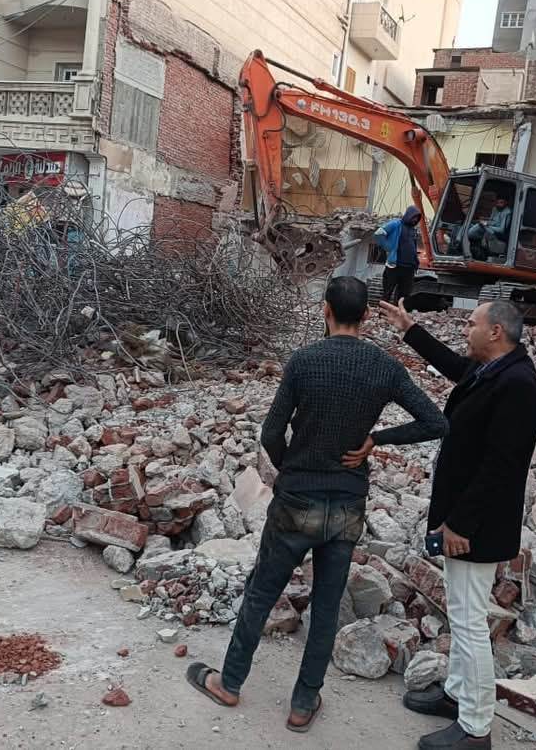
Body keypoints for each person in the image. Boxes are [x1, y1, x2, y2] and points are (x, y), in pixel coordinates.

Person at [186, 276, 448, 733]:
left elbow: (271, 431)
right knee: (326, 606)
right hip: (347, 504)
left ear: (325, 309)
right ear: (365, 316)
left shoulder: (304, 361)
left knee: (262, 593)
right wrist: (376, 439)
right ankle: (303, 703)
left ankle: (229, 683)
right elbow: (435, 422)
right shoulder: (384, 367)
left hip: (296, 500)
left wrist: (290, 468)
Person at [376, 297, 536, 750]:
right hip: (465, 519)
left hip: (476, 527)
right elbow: (454, 366)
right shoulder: (492, 368)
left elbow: (501, 467)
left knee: (470, 624)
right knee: (461, 613)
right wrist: (409, 329)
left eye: (471, 323)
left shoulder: (519, 386)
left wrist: (460, 524)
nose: (466, 329)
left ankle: (475, 728)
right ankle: (456, 695)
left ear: (495, 332)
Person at [374, 205, 423, 305]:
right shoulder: (396, 224)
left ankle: (397, 313)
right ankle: (382, 312)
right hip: (395, 266)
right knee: (387, 292)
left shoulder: (413, 230)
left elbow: (413, 247)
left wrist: (416, 262)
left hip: (409, 268)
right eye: (414, 217)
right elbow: (379, 233)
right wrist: (388, 247)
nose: (415, 220)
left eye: (417, 218)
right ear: (409, 215)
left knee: (404, 295)